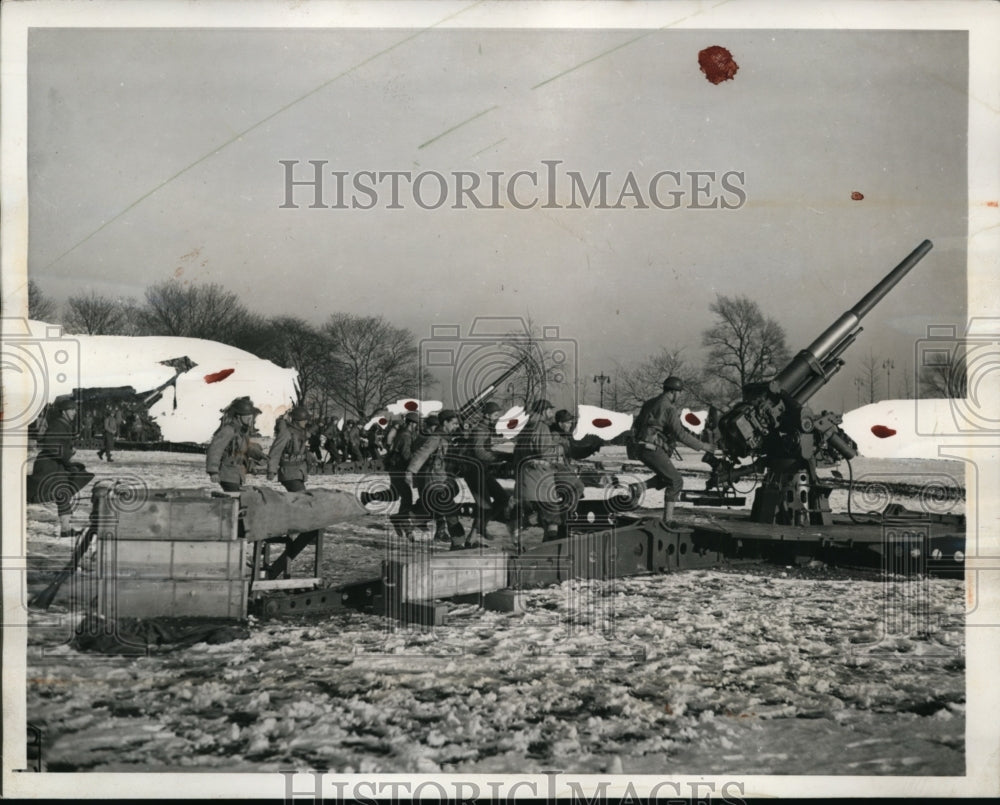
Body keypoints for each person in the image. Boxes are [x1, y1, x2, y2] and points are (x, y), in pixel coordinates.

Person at [632, 376, 720, 524]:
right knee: (676, 481)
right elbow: (680, 434)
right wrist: (703, 446)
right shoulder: (669, 408)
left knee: (666, 477)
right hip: (651, 448)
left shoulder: (649, 403)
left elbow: (638, 424)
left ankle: (638, 488)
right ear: (673, 392)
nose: (679, 396)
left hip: (640, 448)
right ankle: (668, 521)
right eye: (679, 393)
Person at [26, 396, 95, 537]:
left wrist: (68, 452)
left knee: (63, 494)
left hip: (57, 465)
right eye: (71, 410)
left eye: (74, 410)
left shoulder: (63, 424)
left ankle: (66, 529)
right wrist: (68, 453)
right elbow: (51, 444)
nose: (74, 413)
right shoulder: (58, 424)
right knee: (30, 494)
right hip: (49, 466)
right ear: (64, 411)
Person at [405, 409, 467, 549]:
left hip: (441, 479)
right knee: (450, 511)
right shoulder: (436, 438)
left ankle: (410, 517)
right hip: (434, 481)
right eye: (454, 423)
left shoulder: (445, 437)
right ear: (445, 423)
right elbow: (421, 454)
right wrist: (410, 471)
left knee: (434, 508)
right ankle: (458, 544)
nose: (456, 426)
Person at [512, 399, 567, 542]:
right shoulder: (541, 426)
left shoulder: (526, 426)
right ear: (543, 411)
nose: (551, 413)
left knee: (541, 513)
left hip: (526, 478)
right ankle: (551, 546)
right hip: (540, 479)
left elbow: (517, 452)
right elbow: (544, 452)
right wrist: (559, 448)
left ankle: (524, 535)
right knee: (553, 515)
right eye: (549, 410)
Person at [459, 401, 511, 543]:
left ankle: (481, 526)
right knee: (485, 505)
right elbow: (479, 452)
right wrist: (497, 457)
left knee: (502, 498)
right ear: (487, 415)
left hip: (482, 470)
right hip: (473, 470)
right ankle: (472, 539)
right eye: (495, 414)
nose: (497, 417)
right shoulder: (479, 430)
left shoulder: (488, 429)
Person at [206, 396, 265, 492]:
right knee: (237, 497)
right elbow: (215, 450)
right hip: (227, 473)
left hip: (236, 473)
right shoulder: (228, 430)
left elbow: (246, 448)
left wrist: (260, 455)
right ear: (238, 416)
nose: (251, 418)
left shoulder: (241, 432)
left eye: (251, 415)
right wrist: (213, 472)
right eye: (247, 415)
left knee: (238, 498)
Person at [384, 412, 420, 539]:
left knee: (401, 495)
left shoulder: (404, 434)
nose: (417, 426)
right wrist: (418, 460)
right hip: (398, 469)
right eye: (416, 423)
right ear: (412, 423)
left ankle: (400, 521)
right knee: (407, 497)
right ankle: (401, 521)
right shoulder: (405, 436)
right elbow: (406, 455)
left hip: (395, 469)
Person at [267, 405, 313, 492]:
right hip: (288, 473)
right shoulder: (286, 433)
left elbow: (301, 451)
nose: (306, 422)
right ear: (296, 421)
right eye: (303, 420)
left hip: (298, 472)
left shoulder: (301, 433)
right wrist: (271, 470)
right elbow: (276, 451)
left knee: (298, 498)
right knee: (301, 497)